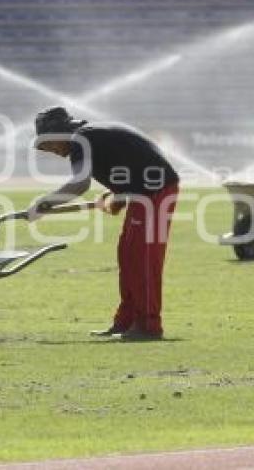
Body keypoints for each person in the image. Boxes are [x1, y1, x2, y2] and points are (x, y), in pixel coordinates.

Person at [29, 106, 180, 340]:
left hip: (155, 191)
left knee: (142, 259)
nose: (51, 150)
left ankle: (149, 326)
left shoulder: (81, 139)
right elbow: (127, 164)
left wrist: (44, 203)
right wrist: (116, 195)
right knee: (128, 256)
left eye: (49, 144)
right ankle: (126, 322)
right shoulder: (88, 136)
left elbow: (79, 185)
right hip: (143, 192)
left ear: (59, 132)